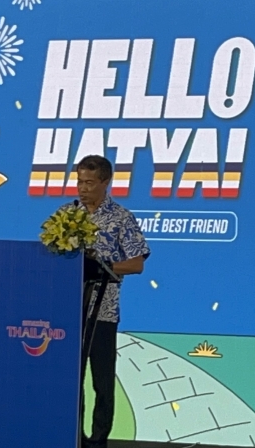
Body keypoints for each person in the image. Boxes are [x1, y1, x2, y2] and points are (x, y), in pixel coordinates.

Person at [73, 155, 150, 448]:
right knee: (70, 381)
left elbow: (136, 263)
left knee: (102, 382)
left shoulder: (121, 218)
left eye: (90, 182)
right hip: (69, 312)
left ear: (105, 182)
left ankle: (98, 440)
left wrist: (100, 267)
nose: (83, 188)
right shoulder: (67, 215)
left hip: (102, 313)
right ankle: (73, 437)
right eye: (80, 181)